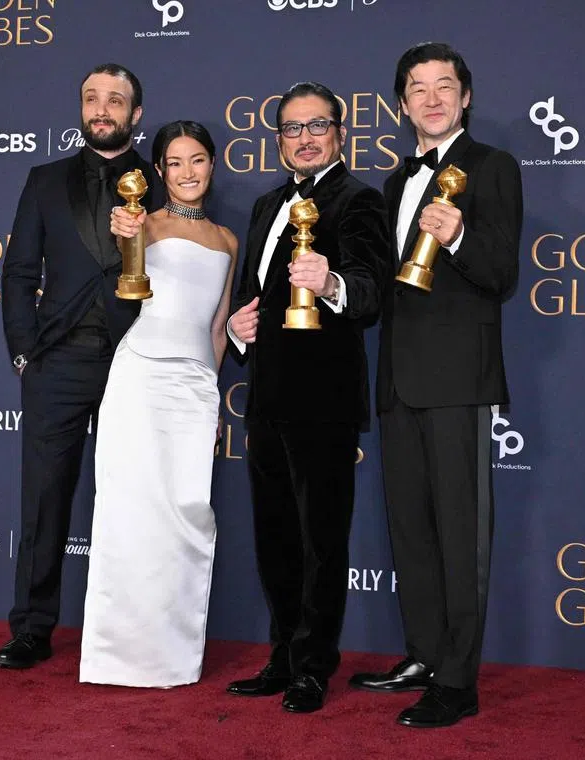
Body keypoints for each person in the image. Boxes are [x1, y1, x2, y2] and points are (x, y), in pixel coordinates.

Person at [347, 43, 523, 728]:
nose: (431, 98)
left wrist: (457, 237)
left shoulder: (493, 168)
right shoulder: (393, 183)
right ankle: (422, 654)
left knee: (460, 534)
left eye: (444, 86)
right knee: (412, 531)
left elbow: (502, 274)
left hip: (458, 381)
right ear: (401, 105)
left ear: (466, 97)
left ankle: (458, 680)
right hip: (398, 381)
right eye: (417, 89)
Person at [224, 82, 391, 713]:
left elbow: (373, 294)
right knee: (275, 535)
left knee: (322, 539)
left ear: (340, 132)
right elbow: (254, 293)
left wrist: (333, 283)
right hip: (264, 395)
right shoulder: (268, 204)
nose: (305, 137)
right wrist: (242, 328)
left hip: (323, 399)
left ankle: (315, 664)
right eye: (292, 129)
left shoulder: (359, 200)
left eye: (317, 125)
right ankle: (282, 655)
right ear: (278, 141)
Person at [0, 63, 160, 670]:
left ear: (135, 114)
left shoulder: (164, 183)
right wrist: (23, 348)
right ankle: (32, 628)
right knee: (43, 499)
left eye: (116, 100)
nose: (102, 108)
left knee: (137, 499)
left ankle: (136, 628)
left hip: (134, 358)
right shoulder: (44, 179)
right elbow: (17, 273)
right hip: (58, 358)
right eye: (92, 97)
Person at [79, 121, 237, 688]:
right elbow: (129, 269)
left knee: (186, 516)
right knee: (129, 510)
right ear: (159, 171)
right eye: (174, 162)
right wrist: (127, 232)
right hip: (140, 374)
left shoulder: (227, 240)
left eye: (197, 160)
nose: (187, 172)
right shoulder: (141, 220)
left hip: (194, 386)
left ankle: (173, 656)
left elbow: (218, 327)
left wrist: (210, 393)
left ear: (212, 165)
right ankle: (117, 655)